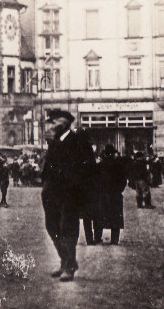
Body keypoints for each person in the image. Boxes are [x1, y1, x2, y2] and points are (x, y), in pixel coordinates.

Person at [40, 108, 94, 282]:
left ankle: (69, 267)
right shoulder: (54, 142)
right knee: (51, 226)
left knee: (68, 228)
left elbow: (88, 167)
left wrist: (76, 186)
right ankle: (66, 261)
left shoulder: (78, 141)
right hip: (52, 194)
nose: (50, 126)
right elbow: (48, 166)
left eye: (53, 122)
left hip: (70, 193)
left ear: (63, 123)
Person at [92, 144, 128, 245]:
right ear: (113, 154)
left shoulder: (99, 166)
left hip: (102, 194)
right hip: (115, 195)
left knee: (99, 216)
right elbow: (123, 180)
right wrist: (118, 190)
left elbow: (94, 180)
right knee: (115, 217)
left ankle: (97, 237)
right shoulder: (118, 166)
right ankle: (114, 239)